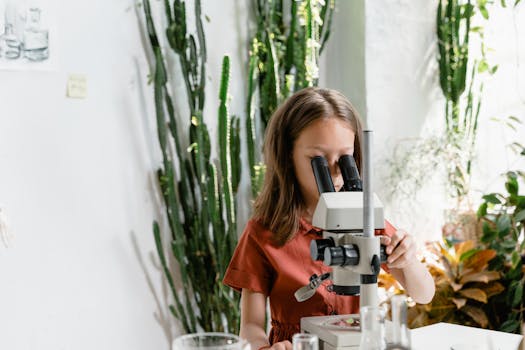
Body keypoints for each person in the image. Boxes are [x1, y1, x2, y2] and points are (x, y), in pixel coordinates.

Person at [223, 87, 435, 350]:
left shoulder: (365, 217)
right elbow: (251, 326)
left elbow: (424, 294)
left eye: (344, 158)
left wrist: (408, 258)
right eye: (318, 160)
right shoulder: (263, 232)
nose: (334, 171)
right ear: (287, 155)